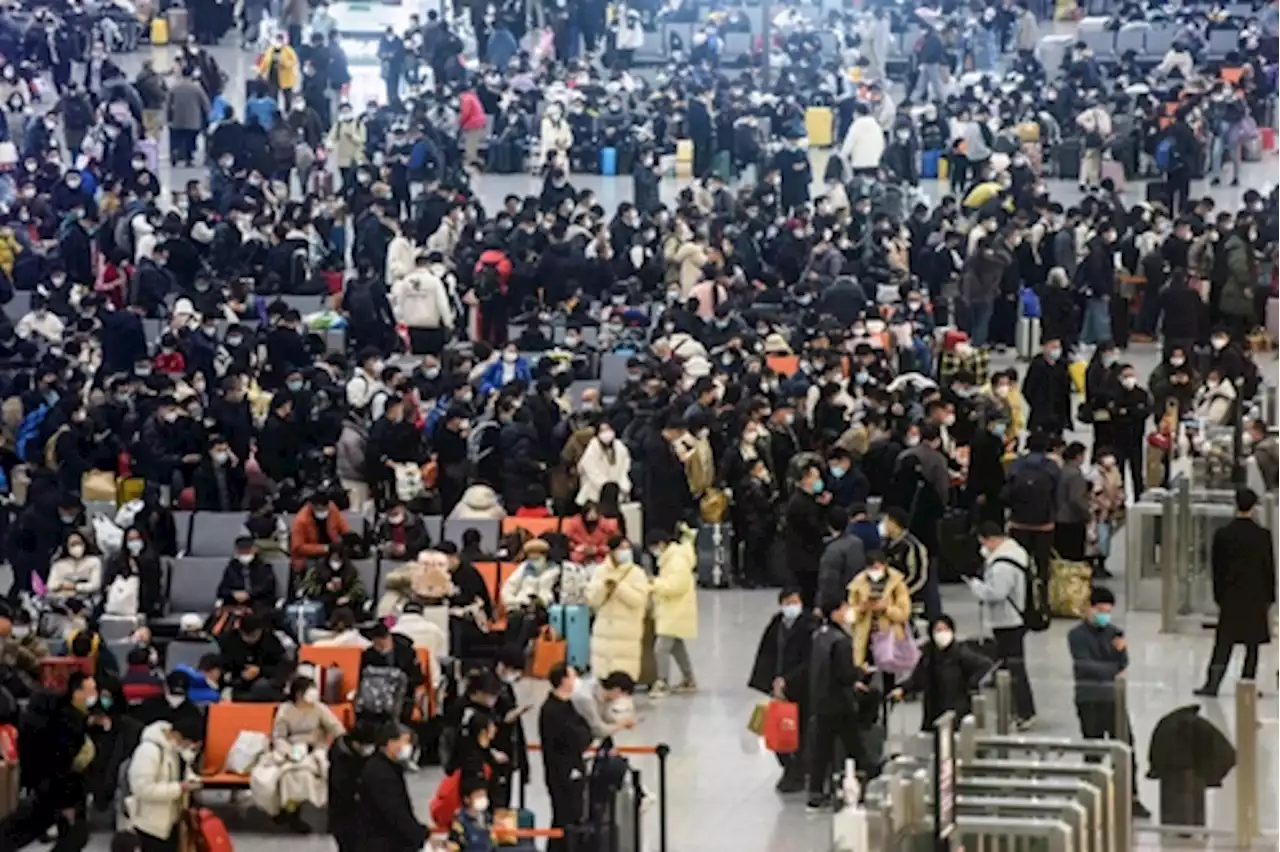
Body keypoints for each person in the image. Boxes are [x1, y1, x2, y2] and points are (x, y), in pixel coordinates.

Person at [1067, 586, 1150, 818]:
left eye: (1107, 611)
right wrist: (1112, 668)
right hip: (1089, 699)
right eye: (1100, 610)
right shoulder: (1076, 635)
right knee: (1093, 750)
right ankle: (1090, 798)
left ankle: (1131, 797)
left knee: (1125, 748)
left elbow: (1123, 662)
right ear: (1090, 608)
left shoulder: (1115, 632)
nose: (1104, 615)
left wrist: (1115, 663)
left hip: (1113, 699)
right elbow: (1083, 665)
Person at [2, 672, 102, 851]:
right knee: (70, 834)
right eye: (92, 690)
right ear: (77, 692)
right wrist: (66, 802)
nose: (95, 695)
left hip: (49, 788)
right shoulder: (67, 722)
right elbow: (62, 762)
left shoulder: (60, 716)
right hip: (58, 790)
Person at [1195, 488, 1277, 696]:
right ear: (1253, 507)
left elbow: (1217, 568)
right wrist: (1270, 596)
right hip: (1256, 596)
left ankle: (1212, 684)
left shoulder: (1223, 534)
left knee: (1223, 642)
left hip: (1231, 596)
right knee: (1252, 644)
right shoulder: (1262, 535)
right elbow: (1269, 567)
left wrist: (1218, 595)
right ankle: (1247, 684)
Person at [747, 589, 819, 793]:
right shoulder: (776, 624)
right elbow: (767, 654)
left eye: (795, 602)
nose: (792, 607)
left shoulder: (809, 625)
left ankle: (798, 771)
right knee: (777, 732)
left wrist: (788, 680)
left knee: (801, 732)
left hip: (801, 687)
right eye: (788, 602)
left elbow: (809, 659)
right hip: (778, 690)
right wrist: (769, 682)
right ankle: (790, 768)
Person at [965, 523, 1037, 730]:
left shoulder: (1003, 564)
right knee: (1009, 666)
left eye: (984, 542)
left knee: (1014, 668)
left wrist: (975, 586)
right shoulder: (1016, 553)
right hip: (1014, 618)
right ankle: (1015, 708)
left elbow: (996, 593)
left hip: (1008, 621)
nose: (983, 547)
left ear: (992, 539)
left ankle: (1024, 711)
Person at [805, 595, 873, 812]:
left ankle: (815, 792)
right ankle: (868, 782)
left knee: (821, 751)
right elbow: (844, 673)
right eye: (845, 608)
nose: (848, 612)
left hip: (821, 701)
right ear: (835, 612)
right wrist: (859, 674)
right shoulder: (841, 641)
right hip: (840, 704)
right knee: (855, 746)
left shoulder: (819, 636)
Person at [251, 674, 344, 832]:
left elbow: (337, 729)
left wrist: (332, 744)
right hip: (290, 750)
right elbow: (279, 735)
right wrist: (288, 751)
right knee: (287, 775)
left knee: (306, 774)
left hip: (314, 750)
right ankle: (290, 812)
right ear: (299, 693)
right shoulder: (285, 710)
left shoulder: (319, 708)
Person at [891, 615, 992, 728]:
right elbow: (918, 678)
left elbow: (985, 665)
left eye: (946, 629)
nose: (942, 634)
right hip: (933, 708)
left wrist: (972, 684)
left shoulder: (961, 653)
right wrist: (903, 689)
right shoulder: (928, 655)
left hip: (956, 709)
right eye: (938, 630)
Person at [124, 715, 206, 852]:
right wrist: (180, 788)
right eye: (189, 744)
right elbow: (143, 789)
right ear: (178, 735)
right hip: (150, 825)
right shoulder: (149, 751)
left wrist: (192, 780)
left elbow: (182, 772)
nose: (189, 748)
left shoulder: (175, 750)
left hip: (171, 823)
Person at [537, 664, 593, 852]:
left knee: (571, 816)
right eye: (572, 676)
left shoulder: (567, 705)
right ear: (563, 680)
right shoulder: (552, 710)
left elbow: (585, 729)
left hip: (572, 768)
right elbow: (574, 736)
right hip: (561, 773)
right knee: (564, 817)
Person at [356, 723, 429, 852]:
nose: (408, 747)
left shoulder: (385, 766)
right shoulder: (381, 773)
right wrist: (421, 834)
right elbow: (395, 811)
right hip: (384, 842)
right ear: (390, 743)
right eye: (405, 741)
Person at [585, 536, 651, 680]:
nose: (625, 552)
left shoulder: (637, 573)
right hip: (604, 630)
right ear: (611, 551)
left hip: (627, 632)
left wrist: (619, 588)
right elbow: (592, 599)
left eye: (627, 548)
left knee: (623, 675)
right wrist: (604, 588)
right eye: (621, 548)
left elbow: (639, 600)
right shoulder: (600, 571)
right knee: (602, 675)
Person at [647, 528, 698, 698]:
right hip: (674, 609)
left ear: (661, 544)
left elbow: (676, 586)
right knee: (676, 647)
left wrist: (655, 584)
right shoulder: (669, 558)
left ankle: (662, 682)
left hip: (675, 609)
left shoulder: (676, 560)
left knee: (660, 648)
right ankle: (689, 679)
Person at [327, 721, 378, 852]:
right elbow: (342, 788)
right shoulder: (341, 759)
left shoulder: (361, 754)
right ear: (356, 743)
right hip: (344, 814)